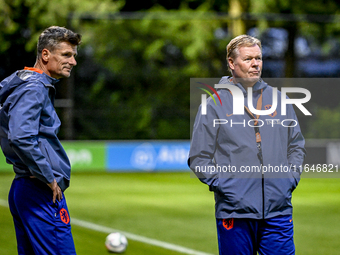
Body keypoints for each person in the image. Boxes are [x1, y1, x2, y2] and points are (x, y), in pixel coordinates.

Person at [188, 35, 306, 255]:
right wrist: (225, 185)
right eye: (249, 58)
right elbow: (199, 157)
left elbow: (296, 145)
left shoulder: (281, 100)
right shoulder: (213, 105)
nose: (256, 64)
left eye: (259, 58)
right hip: (235, 211)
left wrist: (290, 179)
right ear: (232, 63)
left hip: (278, 211)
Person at [0, 26, 81, 254]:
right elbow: (21, 137)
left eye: (74, 55)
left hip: (24, 186)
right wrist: (48, 177)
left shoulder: (20, 81)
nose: (73, 62)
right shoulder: (34, 87)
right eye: (66, 55)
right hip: (39, 189)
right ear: (45, 55)